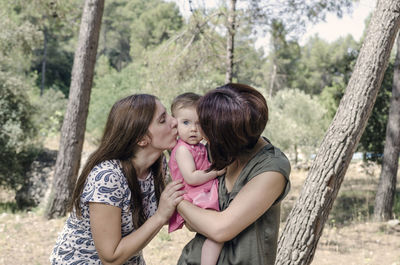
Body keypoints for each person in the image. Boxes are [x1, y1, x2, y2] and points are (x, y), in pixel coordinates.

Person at [50, 94, 186, 265]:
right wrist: (160, 216)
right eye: (162, 119)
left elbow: (163, 212)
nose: (174, 122)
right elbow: (110, 257)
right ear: (141, 139)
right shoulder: (108, 177)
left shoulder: (158, 164)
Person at [176, 83, 291, 265]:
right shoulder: (217, 151)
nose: (202, 135)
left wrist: (176, 200)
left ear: (226, 136)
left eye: (206, 128)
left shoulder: (271, 167)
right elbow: (192, 224)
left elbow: (220, 229)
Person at [168, 92, 225, 265]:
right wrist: (216, 172)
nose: (193, 129)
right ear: (174, 124)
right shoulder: (182, 150)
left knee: (217, 234)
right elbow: (191, 177)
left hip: (202, 194)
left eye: (199, 124)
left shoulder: (200, 146)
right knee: (217, 235)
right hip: (193, 197)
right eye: (186, 122)